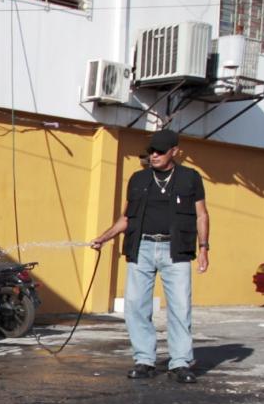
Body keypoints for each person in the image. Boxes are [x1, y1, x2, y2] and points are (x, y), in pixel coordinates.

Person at [88, 128, 209, 382]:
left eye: (160, 152)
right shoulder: (138, 179)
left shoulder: (190, 178)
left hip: (175, 250)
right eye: (151, 151)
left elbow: (202, 215)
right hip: (141, 248)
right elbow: (126, 218)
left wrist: (204, 248)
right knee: (136, 306)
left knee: (180, 307)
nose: (154, 156)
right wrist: (104, 237)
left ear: (174, 151)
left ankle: (180, 363)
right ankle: (144, 360)